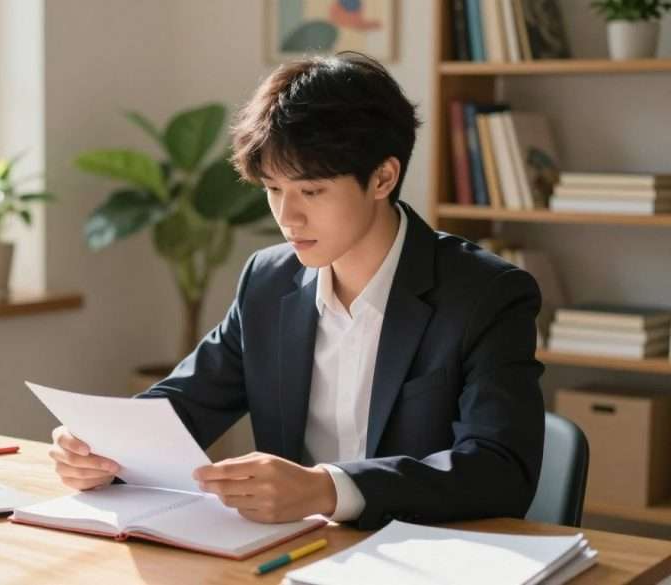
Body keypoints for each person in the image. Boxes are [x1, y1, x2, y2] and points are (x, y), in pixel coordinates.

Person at [48, 52, 544, 530]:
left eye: (311, 191)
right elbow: (185, 403)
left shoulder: (487, 295)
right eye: (273, 189)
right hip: (293, 553)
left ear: (382, 178)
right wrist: (102, 450)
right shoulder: (269, 280)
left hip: (424, 557)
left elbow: (500, 470)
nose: (287, 217)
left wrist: (327, 489)